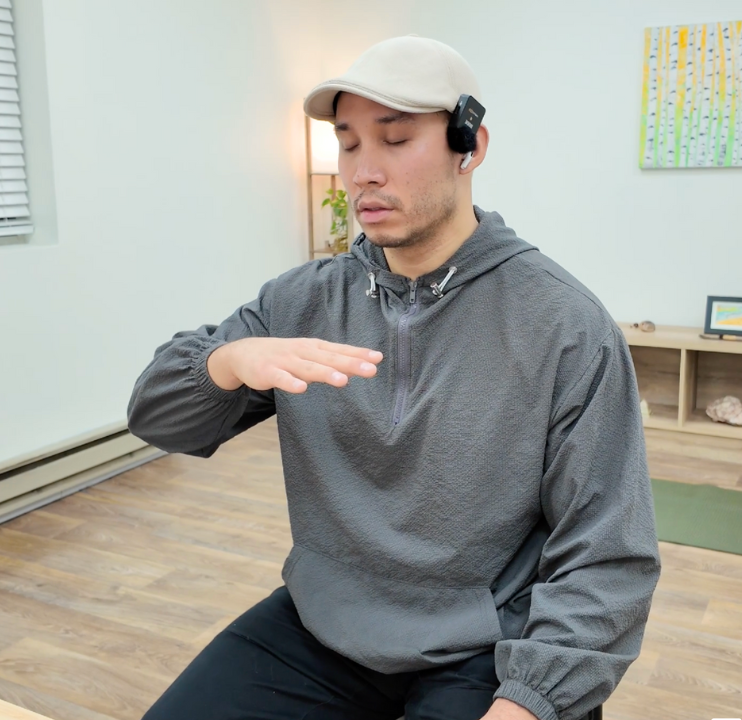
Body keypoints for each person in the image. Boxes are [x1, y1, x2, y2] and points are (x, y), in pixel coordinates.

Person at [128, 35, 660, 720]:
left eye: (396, 139)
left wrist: (532, 699)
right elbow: (156, 418)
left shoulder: (564, 324)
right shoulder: (301, 301)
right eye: (348, 144)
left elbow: (608, 555)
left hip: (492, 642)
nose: (363, 173)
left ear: (470, 145)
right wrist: (226, 364)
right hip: (323, 626)